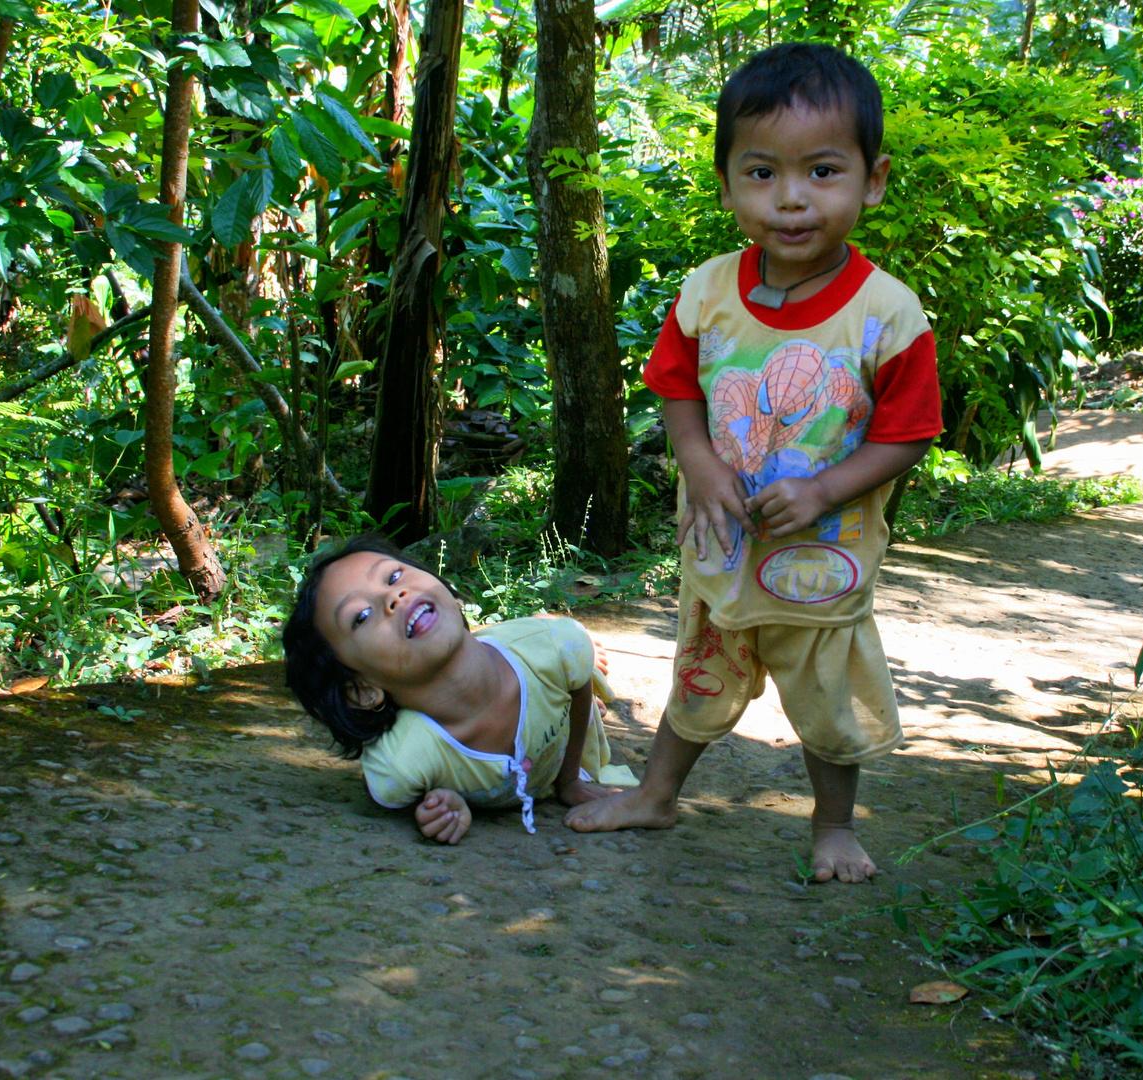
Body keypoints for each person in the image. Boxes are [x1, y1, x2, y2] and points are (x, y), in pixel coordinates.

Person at [566, 43, 942, 884]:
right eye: (762, 173)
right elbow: (676, 388)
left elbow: (909, 432)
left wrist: (822, 489)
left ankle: (833, 827)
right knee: (700, 671)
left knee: (827, 699)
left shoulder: (888, 315)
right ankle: (656, 795)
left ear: (870, 180)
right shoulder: (706, 292)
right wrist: (697, 462)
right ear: (729, 180)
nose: (792, 198)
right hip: (723, 544)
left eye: (821, 170)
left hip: (822, 557)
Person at [283, 534, 638, 844]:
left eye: (393, 576)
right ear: (361, 690)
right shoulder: (404, 759)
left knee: (572, 651)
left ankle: (547, 632)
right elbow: (388, 791)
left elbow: (575, 688)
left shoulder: (553, 650)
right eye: (361, 616)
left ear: (449, 593)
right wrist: (441, 801)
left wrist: (570, 780)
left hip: (542, 656)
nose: (393, 597)